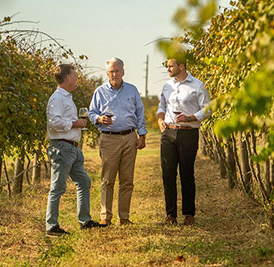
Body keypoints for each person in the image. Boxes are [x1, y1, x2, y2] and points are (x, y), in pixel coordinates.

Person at [46, 64, 104, 236]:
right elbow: (53, 123)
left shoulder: (67, 97)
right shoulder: (57, 98)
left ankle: (85, 221)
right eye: (75, 75)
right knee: (57, 187)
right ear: (67, 77)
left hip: (73, 149)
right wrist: (75, 123)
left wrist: (76, 124)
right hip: (62, 147)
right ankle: (51, 226)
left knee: (84, 181)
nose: (77, 77)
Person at [88, 57, 147, 226]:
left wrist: (141, 134)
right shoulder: (99, 91)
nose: (114, 74)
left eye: (117, 70)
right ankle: (105, 216)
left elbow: (139, 113)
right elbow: (91, 112)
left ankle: (124, 216)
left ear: (123, 71)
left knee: (127, 179)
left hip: (129, 137)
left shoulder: (132, 90)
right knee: (107, 179)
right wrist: (99, 118)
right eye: (111, 71)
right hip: (109, 138)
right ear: (107, 73)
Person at [157, 57, 211, 226]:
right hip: (169, 133)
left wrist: (191, 117)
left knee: (186, 174)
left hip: (188, 134)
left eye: (170, 66)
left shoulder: (198, 85)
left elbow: (208, 109)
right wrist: (160, 120)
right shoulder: (167, 86)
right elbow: (161, 106)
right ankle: (170, 215)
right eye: (167, 66)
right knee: (168, 175)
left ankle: (189, 214)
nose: (168, 69)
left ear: (181, 66)